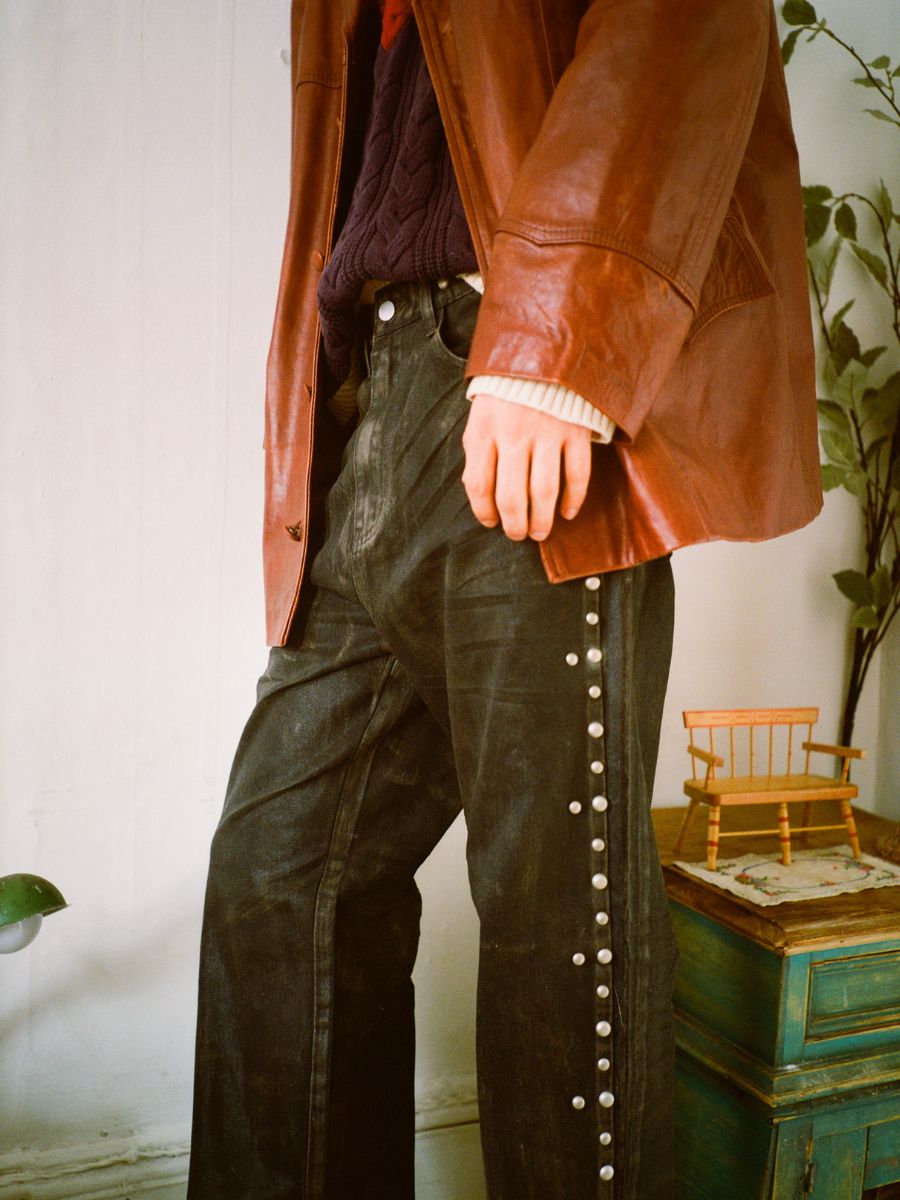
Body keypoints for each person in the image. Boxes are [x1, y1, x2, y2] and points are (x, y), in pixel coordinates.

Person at [187, 1, 821, 1197]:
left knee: (556, 927)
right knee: (277, 885)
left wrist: (559, 345)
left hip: (516, 370)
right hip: (371, 397)